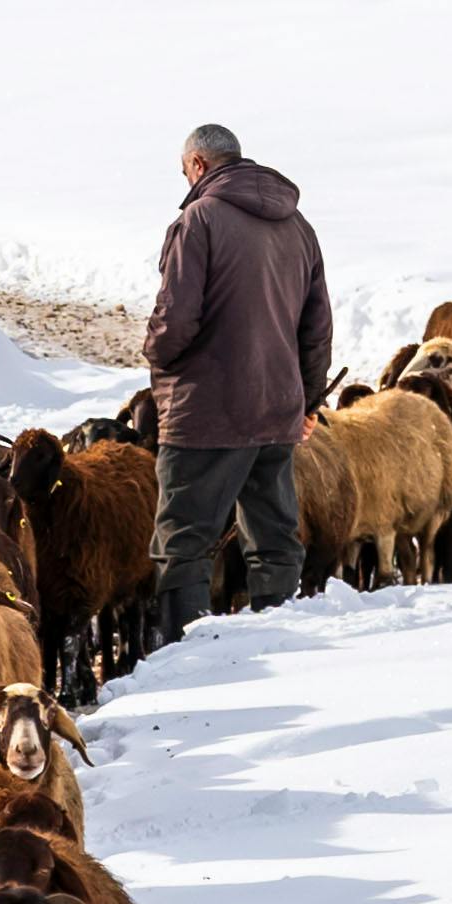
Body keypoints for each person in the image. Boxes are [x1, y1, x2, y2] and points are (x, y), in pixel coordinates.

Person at [141, 122, 332, 651]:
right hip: (277, 411)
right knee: (274, 538)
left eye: (184, 171)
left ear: (198, 164)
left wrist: (156, 353)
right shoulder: (299, 226)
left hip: (206, 412)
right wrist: (308, 400)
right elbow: (316, 327)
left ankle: (181, 654)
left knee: (183, 540)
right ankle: (280, 639)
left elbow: (176, 318)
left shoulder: (198, 221)